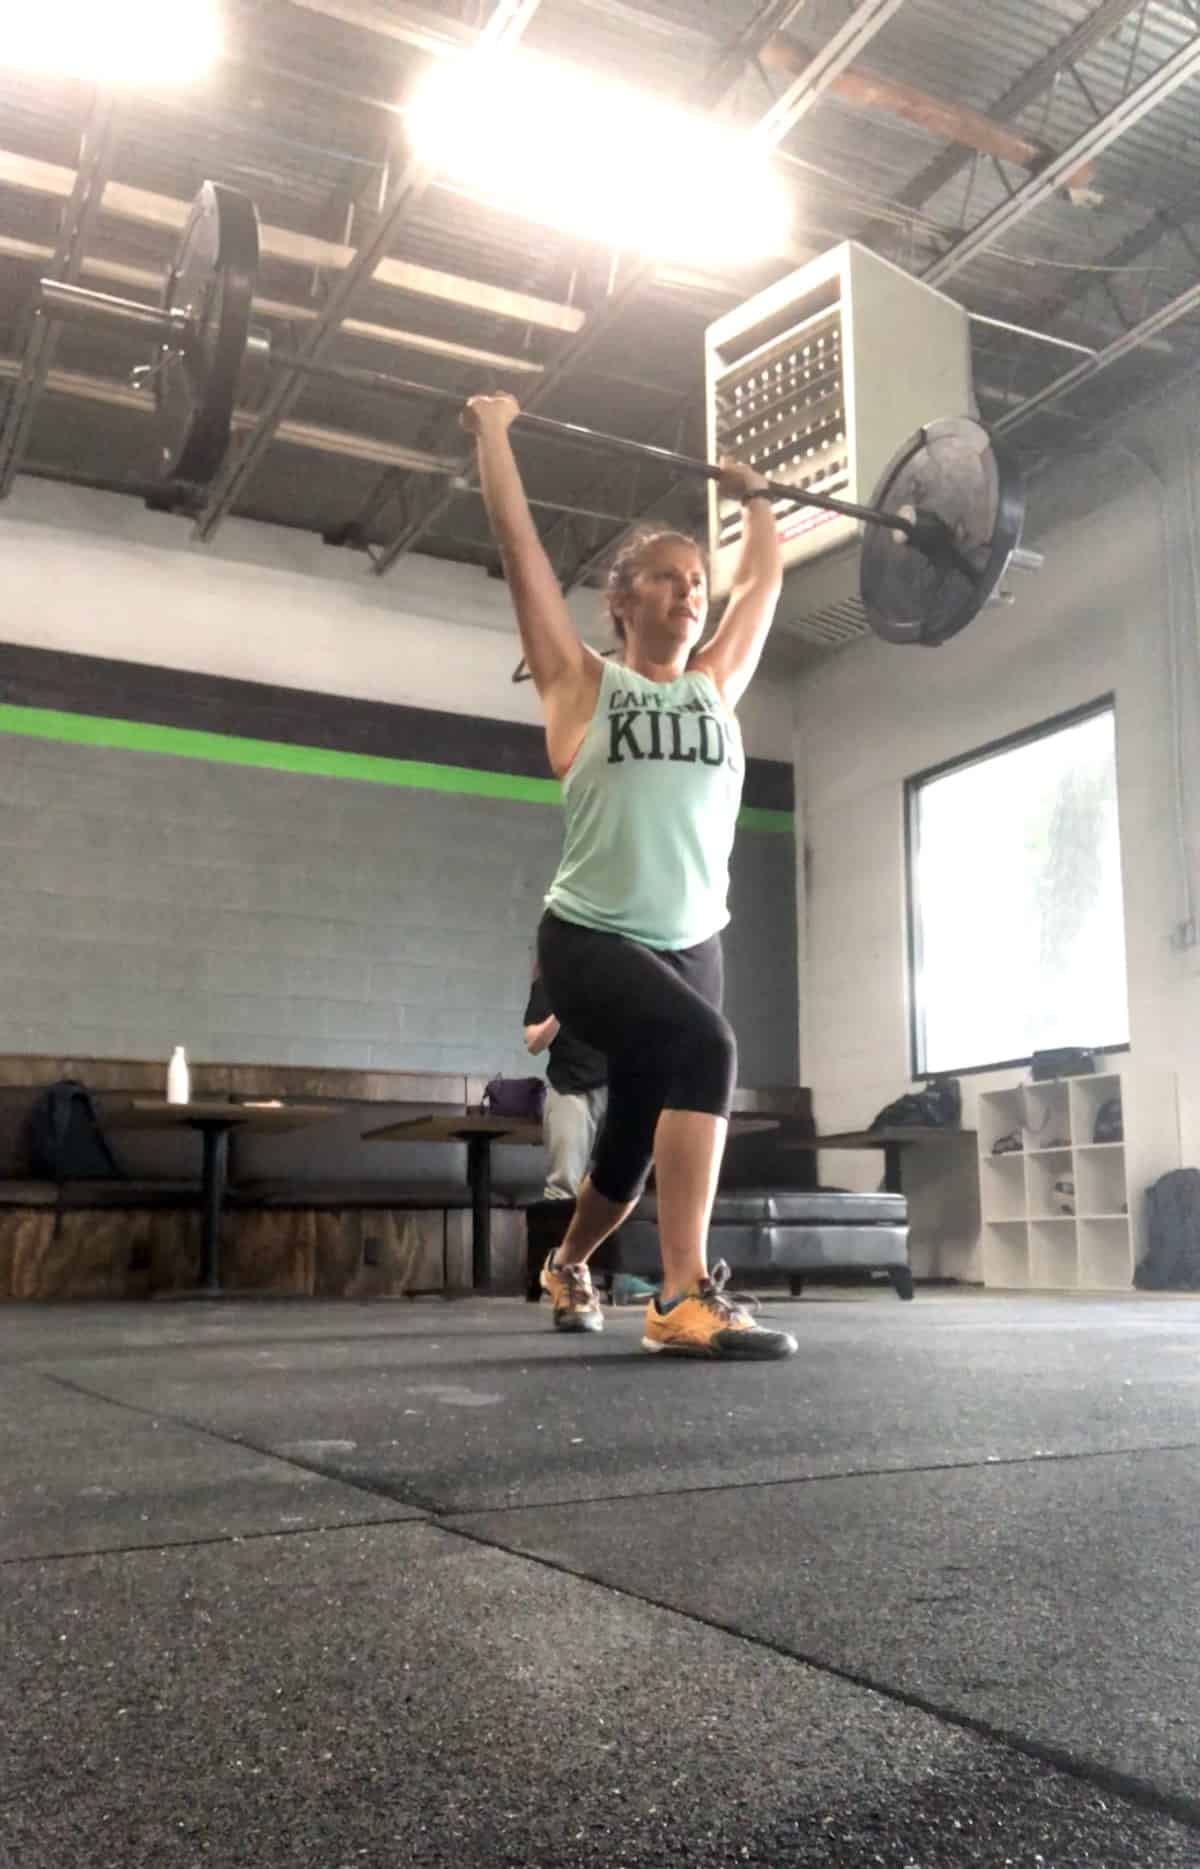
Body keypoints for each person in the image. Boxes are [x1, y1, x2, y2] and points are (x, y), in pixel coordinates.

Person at [464, 391, 797, 1360]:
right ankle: (681, 1295)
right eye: (665, 579)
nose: (690, 594)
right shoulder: (581, 683)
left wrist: (758, 505)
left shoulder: (716, 685)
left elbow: (764, 589)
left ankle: (568, 1265)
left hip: (693, 943)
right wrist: (494, 435)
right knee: (711, 1049)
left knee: (630, 1142)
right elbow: (518, 543)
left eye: (696, 580)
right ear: (622, 602)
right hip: (590, 939)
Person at [523, 966, 608, 1201]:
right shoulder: (550, 983)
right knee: (563, 1192)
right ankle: (562, 1238)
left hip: (619, 1091)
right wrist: (563, 1006)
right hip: (571, 1090)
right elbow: (533, 1043)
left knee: (617, 1190)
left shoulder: (623, 980)